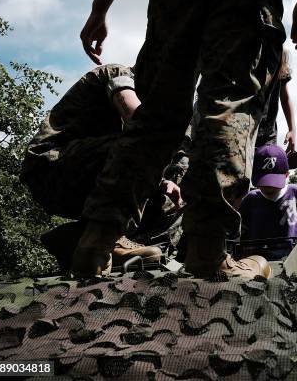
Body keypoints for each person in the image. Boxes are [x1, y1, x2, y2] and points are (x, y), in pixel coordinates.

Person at [75, 0, 297, 278]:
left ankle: (96, 240)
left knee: (156, 114)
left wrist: (100, 8)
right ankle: (208, 250)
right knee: (229, 105)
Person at [20, 64, 189, 272]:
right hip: (51, 168)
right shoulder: (119, 73)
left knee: (178, 178)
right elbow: (138, 122)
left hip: (85, 175)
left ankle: (79, 236)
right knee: (152, 144)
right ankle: (102, 241)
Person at [239, 145, 297, 259]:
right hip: (256, 264)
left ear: (286, 175)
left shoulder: (296, 193)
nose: (269, 187)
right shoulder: (250, 200)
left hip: (294, 262)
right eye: (264, 182)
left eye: (273, 182)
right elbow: (236, 235)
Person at [256, 47, 297, 153]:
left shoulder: (279, 53)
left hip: (267, 134)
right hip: (243, 127)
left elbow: (285, 98)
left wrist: (292, 129)